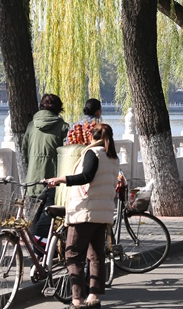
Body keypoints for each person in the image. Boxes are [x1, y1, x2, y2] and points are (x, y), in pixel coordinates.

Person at [45, 123, 120, 309]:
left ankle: (77, 300)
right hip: (102, 213)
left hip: (85, 212)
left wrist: (61, 179)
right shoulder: (112, 156)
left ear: (92, 137)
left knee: (73, 255)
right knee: (96, 256)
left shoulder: (93, 153)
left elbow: (86, 176)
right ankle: (94, 297)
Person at [22, 93, 70, 194]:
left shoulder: (31, 126)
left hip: (33, 180)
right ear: (59, 109)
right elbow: (67, 155)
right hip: (54, 181)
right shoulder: (63, 127)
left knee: (34, 204)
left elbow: (24, 151)